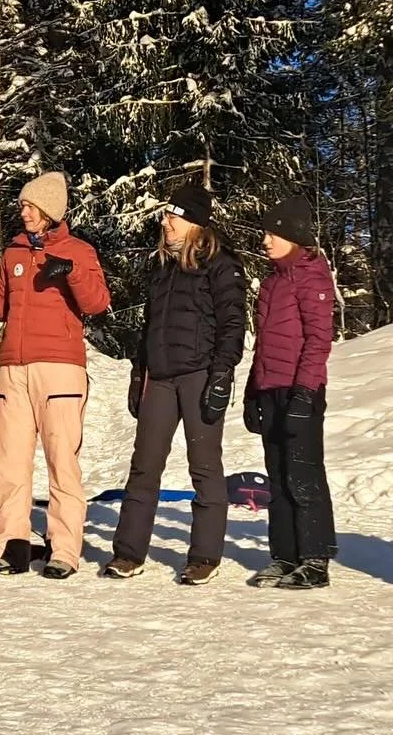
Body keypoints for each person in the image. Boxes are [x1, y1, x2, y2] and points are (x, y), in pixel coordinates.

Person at [104, 185, 245, 584]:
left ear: (194, 223)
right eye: (167, 216)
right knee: (144, 467)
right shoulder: (161, 267)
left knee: (204, 468)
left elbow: (233, 325)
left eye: (173, 216)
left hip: (200, 375)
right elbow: (148, 325)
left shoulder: (221, 265)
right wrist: (138, 371)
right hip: (160, 378)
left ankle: (204, 556)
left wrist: (221, 375)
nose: (165, 222)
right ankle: (128, 553)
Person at [0, 172, 111, 578]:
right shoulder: (13, 252)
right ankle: (11, 545)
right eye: (21, 205)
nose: (23, 211)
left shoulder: (78, 250)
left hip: (60, 371)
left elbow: (98, 303)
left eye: (31, 205)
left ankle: (64, 550)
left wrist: (70, 271)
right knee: (11, 462)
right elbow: (2, 307)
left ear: (50, 211)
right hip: (13, 369)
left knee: (61, 462)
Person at [243, 197, 336, 589]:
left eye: (272, 233)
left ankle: (315, 559)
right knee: (277, 478)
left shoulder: (312, 277)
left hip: (302, 392)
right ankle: (284, 556)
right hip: (271, 389)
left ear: (294, 236)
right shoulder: (271, 281)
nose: (265, 241)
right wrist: (252, 392)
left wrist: (304, 392)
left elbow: (319, 341)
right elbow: (264, 343)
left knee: (303, 475)